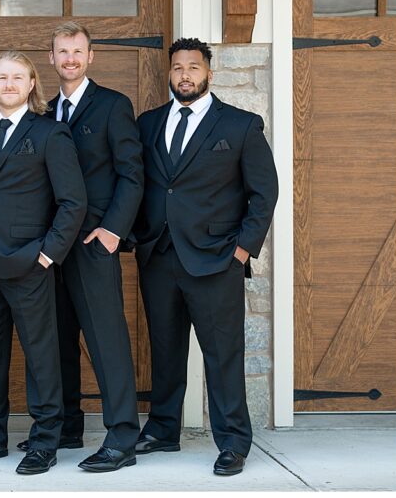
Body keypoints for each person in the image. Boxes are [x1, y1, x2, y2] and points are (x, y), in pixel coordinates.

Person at [133, 38, 278, 476]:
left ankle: (233, 441)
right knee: (165, 349)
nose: (184, 75)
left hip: (216, 260)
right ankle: (162, 430)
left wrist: (241, 251)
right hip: (159, 255)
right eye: (177, 68)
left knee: (223, 353)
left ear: (208, 73)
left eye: (193, 67)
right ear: (170, 74)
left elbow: (263, 193)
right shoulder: (147, 124)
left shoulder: (239, 126)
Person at [0, 51, 86, 475]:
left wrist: (48, 253)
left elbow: (73, 202)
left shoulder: (52, 134)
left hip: (31, 262)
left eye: (18, 77)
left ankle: (45, 440)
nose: (9, 84)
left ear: (32, 84)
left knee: (40, 353)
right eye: (1, 77)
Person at [29, 21, 144, 472]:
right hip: (50, 245)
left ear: (90, 56)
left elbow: (133, 174)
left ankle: (121, 438)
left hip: (95, 242)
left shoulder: (114, 106)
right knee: (57, 340)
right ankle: (67, 428)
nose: (70, 59)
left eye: (78, 51)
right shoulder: (45, 111)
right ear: (52, 58)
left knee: (106, 341)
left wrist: (113, 231)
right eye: (62, 52)